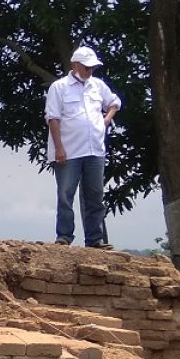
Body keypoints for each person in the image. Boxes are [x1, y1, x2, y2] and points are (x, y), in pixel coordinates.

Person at [45, 46, 121, 249]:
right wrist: (59, 148)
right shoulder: (59, 87)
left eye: (92, 68)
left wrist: (105, 121)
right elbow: (53, 118)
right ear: (75, 65)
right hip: (69, 151)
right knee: (65, 194)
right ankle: (64, 236)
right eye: (86, 67)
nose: (89, 71)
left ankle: (94, 240)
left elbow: (114, 103)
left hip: (95, 149)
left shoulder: (97, 85)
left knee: (95, 195)